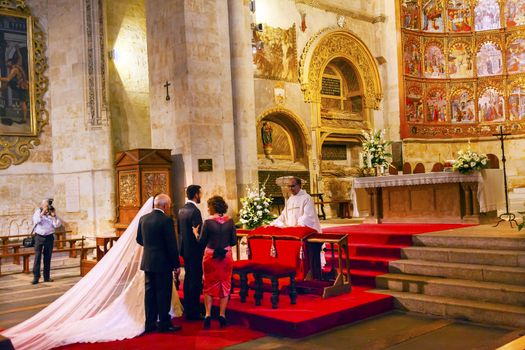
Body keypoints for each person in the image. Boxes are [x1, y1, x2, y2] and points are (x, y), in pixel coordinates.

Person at [136, 193, 181, 333]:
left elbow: (139, 239)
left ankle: (150, 323)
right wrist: (176, 264)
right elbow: (171, 245)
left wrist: (150, 248)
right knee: (163, 294)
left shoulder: (143, 219)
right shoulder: (166, 220)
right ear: (165, 205)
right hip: (163, 263)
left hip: (148, 262)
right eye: (169, 205)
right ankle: (164, 324)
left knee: (150, 294)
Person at [195, 196, 237, 329]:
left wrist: (196, 233)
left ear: (213, 207)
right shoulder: (230, 222)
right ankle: (222, 315)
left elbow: (201, 242)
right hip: (225, 257)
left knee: (208, 284)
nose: (207, 208)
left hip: (210, 256)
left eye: (209, 206)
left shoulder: (207, 223)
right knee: (225, 284)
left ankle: (208, 314)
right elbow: (233, 242)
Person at [177, 184, 204, 321]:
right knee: (195, 280)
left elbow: (179, 232)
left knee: (188, 279)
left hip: (185, 250)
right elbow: (197, 235)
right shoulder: (195, 211)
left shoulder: (181, 210)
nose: (201, 196)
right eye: (200, 193)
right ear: (196, 195)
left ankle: (188, 308)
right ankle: (194, 312)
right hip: (195, 251)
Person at [32, 199, 61, 285]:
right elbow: (36, 221)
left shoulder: (51, 214)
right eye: (45, 206)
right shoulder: (38, 212)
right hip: (39, 237)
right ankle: (36, 277)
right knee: (37, 257)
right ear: (42, 205)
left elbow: (57, 225)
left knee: (47, 258)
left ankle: (46, 277)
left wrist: (54, 216)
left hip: (49, 237)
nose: (47, 207)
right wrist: (42, 213)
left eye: (47, 206)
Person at [0, 57, 29, 123]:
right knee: (8, 83)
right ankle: (1, 90)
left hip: (22, 86)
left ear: (10, 63)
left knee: (22, 102)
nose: (6, 64)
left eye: (7, 63)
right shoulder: (15, 68)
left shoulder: (14, 69)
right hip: (21, 86)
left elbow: (8, 79)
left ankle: (24, 119)